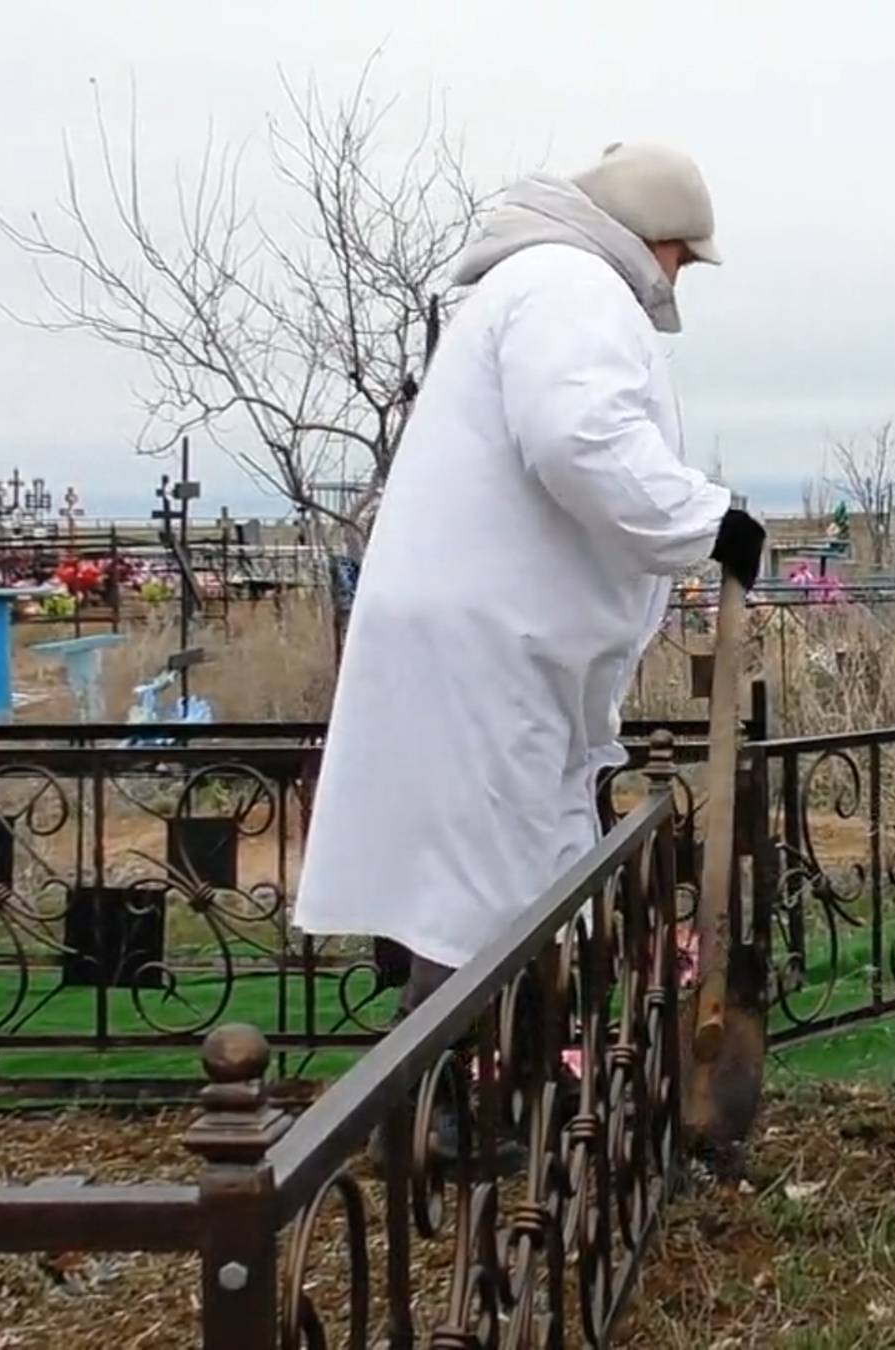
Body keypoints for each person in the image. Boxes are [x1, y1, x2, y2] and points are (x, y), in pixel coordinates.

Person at [296, 142, 765, 1069]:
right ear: (657, 240)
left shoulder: (544, 287)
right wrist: (709, 522)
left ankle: (488, 1093)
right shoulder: (572, 288)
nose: (680, 280)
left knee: (501, 882)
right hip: (492, 646)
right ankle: (449, 1110)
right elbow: (581, 438)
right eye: (682, 257)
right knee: (489, 895)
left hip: (495, 642)